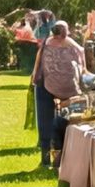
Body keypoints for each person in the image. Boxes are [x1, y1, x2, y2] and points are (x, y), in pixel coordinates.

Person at [32, 21, 85, 168]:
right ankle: (62, 158)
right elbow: (82, 58)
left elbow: (37, 63)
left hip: (47, 86)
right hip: (68, 88)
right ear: (66, 32)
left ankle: (47, 158)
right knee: (68, 122)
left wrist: (34, 77)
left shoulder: (47, 43)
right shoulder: (72, 44)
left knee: (45, 122)